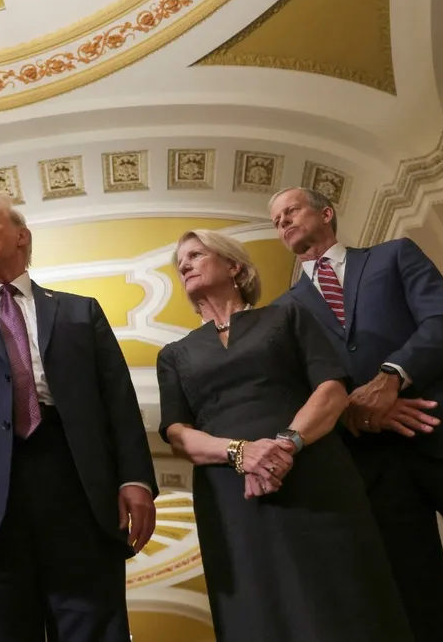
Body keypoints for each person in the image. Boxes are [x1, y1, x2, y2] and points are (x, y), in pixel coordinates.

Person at [0, 193, 157, 642]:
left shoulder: (81, 311)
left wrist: (135, 478)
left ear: (22, 236)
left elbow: (118, 401)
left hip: (78, 486)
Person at [269, 187, 443, 641]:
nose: (282, 221)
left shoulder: (394, 255)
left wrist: (392, 377)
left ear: (326, 213)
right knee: (421, 610)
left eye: (291, 210)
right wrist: (353, 412)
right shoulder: (281, 313)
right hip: (372, 466)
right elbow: (299, 392)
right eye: (276, 220)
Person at [156, 230, 413, 641]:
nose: (184, 265)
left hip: (313, 472)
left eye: (196, 254)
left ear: (234, 266)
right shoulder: (173, 354)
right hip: (231, 495)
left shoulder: (287, 316)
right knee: (261, 608)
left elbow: (331, 390)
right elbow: (178, 434)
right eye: (180, 261)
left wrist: (285, 445)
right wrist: (241, 452)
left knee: (345, 595)